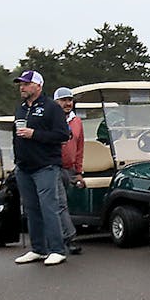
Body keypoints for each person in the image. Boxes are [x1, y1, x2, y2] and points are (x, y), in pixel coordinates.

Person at [11, 70, 72, 266]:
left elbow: (63, 135)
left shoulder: (52, 108)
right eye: (21, 84)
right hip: (24, 166)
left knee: (49, 207)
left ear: (38, 86)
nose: (22, 87)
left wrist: (34, 134)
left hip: (45, 165)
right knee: (31, 209)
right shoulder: (20, 108)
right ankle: (38, 249)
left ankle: (57, 249)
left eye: (26, 84)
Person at [55, 87, 83, 255]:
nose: (67, 103)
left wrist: (79, 171)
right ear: (57, 102)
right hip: (53, 166)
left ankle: (60, 236)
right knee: (60, 203)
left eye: (69, 100)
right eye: (63, 100)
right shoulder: (52, 119)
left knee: (62, 204)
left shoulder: (77, 121)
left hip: (69, 169)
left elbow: (80, 148)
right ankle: (70, 238)